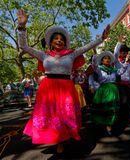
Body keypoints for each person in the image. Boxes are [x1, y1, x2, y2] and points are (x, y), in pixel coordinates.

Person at [17, 9, 110, 152]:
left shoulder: (71, 54)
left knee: (64, 116)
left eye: (62, 38)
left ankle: (62, 139)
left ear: (65, 42)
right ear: (51, 42)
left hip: (66, 88)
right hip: (48, 89)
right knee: (51, 116)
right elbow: (24, 46)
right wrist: (22, 27)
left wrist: (101, 39)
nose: (59, 40)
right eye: (56, 38)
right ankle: (57, 139)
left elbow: (87, 47)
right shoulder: (43, 55)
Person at [91, 50, 127, 135]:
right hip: (103, 90)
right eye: (105, 58)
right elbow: (94, 65)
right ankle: (102, 124)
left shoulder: (114, 70)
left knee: (112, 108)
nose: (107, 60)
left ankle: (109, 125)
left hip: (113, 90)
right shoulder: (99, 69)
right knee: (103, 108)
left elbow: (121, 71)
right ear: (102, 61)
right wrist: (95, 55)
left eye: (108, 58)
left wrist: (126, 63)